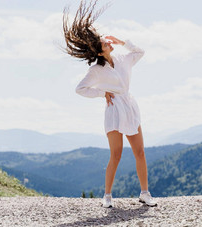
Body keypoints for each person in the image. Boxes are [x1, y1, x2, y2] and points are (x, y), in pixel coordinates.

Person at [63, 0, 157, 208]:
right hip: (114, 109)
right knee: (116, 154)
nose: (108, 43)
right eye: (105, 44)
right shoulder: (97, 70)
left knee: (140, 152)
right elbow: (80, 89)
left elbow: (140, 52)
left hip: (129, 106)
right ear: (99, 52)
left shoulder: (123, 58)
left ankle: (145, 193)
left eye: (107, 41)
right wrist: (102, 92)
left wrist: (123, 42)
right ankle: (107, 196)